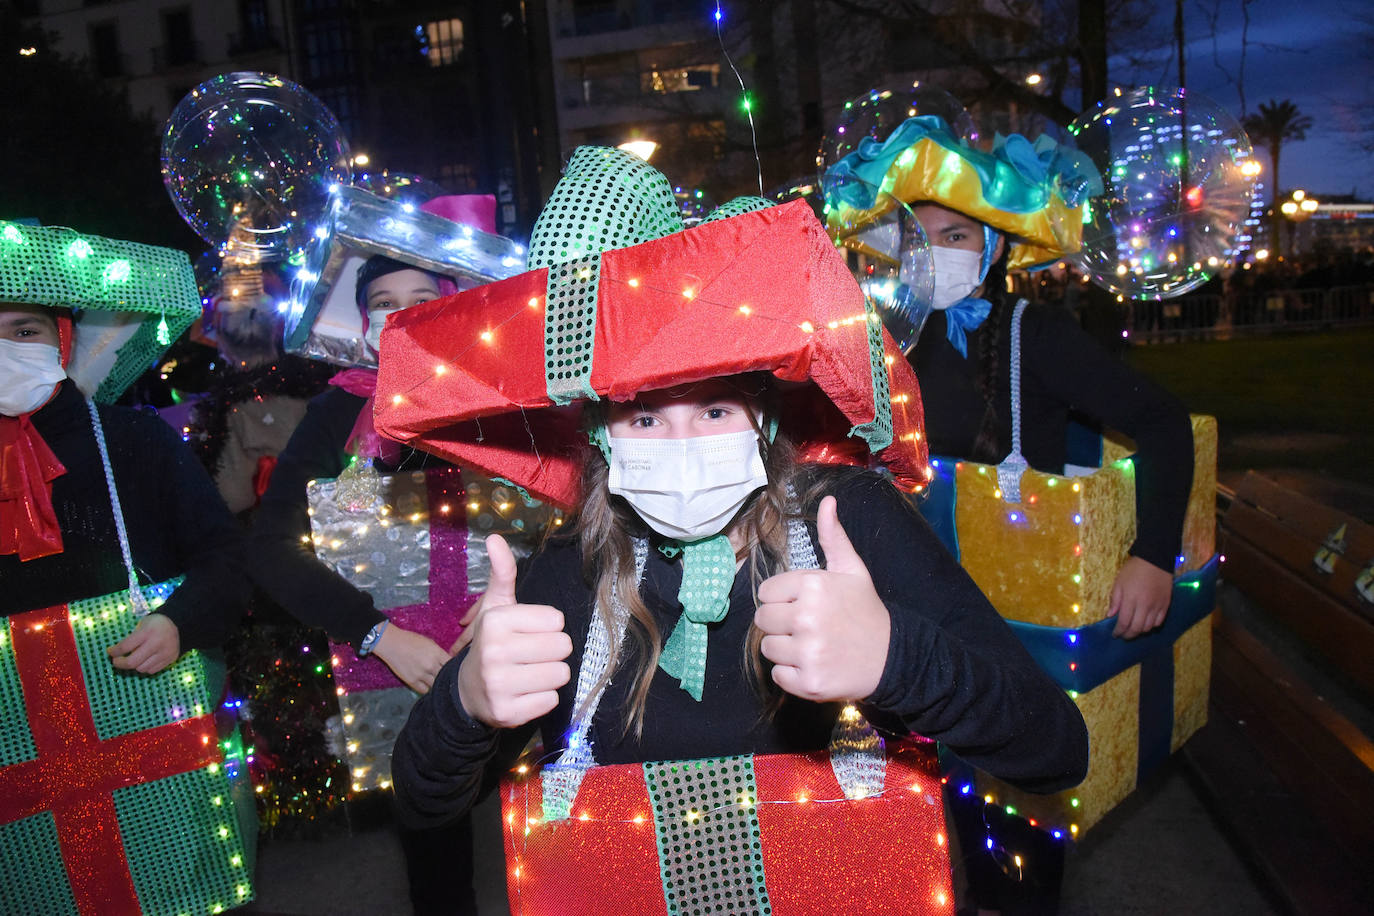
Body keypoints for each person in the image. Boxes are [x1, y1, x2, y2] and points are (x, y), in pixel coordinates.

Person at [374, 146, 1089, 909]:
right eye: (645, 415)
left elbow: (1055, 751)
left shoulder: (848, 521)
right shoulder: (573, 569)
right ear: (604, 437)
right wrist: (465, 705)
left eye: (715, 409)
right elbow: (423, 805)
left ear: (765, 417)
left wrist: (898, 659)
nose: (683, 445)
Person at [826, 116, 1196, 915]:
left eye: (956, 233)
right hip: (907, 630)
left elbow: (1165, 424)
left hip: (1019, 635)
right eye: (916, 237)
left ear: (992, 248)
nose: (936, 253)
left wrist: (1153, 553)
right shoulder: (875, 345)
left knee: (1016, 851)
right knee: (917, 834)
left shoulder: (1041, 336)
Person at [0, 301, 246, 672]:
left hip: (145, 703)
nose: (7, 351)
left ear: (64, 339)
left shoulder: (134, 438)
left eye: (25, 333)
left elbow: (226, 554)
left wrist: (179, 621)